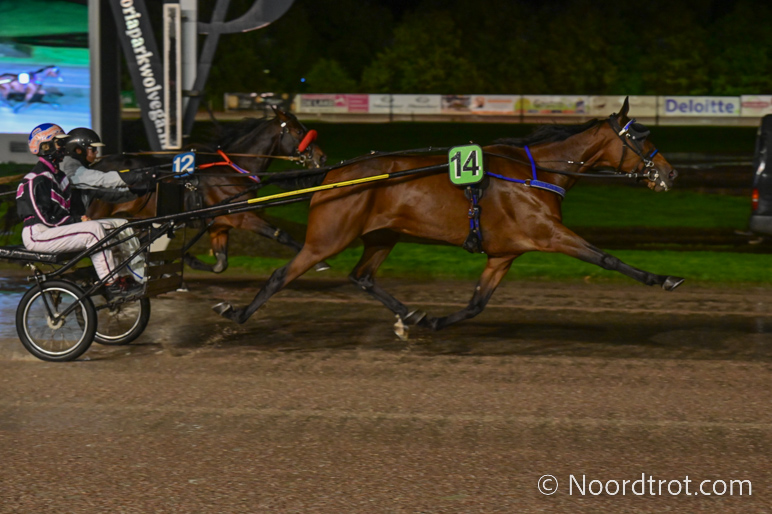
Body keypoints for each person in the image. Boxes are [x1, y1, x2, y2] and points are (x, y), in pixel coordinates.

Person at [15, 123, 143, 298]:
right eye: (59, 143)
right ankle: (111, 283)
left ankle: (128, 277)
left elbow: (68, 210)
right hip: (38, 234)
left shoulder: (60, 177)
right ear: (45, 146)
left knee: (120, 225)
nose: (63, 147)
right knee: (94, 230)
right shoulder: (36, 179)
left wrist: (78, 218)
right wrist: (77, 220)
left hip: (55, 230)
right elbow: (46, 218)